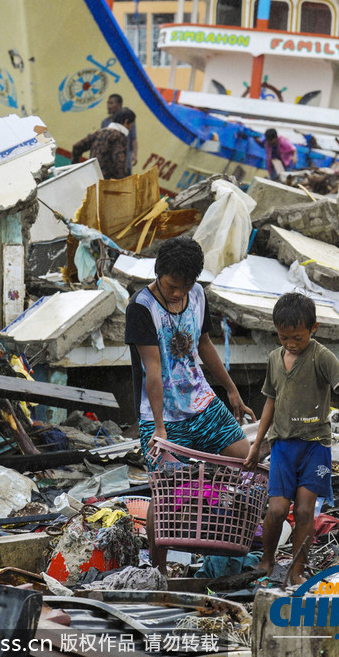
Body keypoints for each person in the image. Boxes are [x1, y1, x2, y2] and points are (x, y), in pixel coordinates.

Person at [245, 293, 339, 586]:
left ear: (313, 329)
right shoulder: (275, 360)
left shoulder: (321, 356)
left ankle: (298, 569)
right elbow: (270, 403)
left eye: (297, 337)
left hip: (315, 448)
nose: (290, 343)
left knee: (304, 511)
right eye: (283, 337)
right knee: (276, 510)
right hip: (283, 447)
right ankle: (267, 560)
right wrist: (256, 445)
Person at [124, 236, 256, 572]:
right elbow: (152, 373)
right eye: (172, 285)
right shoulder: (141, 308)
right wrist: (159, 428)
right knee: (166, 496)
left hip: (204, 405)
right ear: (159, 273)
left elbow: (204, 344)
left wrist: (231, 391)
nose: (178, 293)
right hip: (165, 416)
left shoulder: (197, 296)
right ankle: (158, 570)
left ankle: (234, 551)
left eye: (185, 286)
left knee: (248, 463)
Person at [71, 110, 135, 179]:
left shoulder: (99, 132)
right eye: (131, 124)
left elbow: (77, 147)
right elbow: (119, 162)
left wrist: (76, 169)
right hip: (107, 182)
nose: (131, 127)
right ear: (126, 121)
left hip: (91, 178)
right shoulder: (119, 136)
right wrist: (122, 182)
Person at [102, 93, 138, 173]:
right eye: (108, 103)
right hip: (109, 165)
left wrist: (135, 155)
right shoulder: (105, 122)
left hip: (125, 163)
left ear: (119, 105)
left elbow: (133, 139)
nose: (109, 106)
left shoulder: (129, 121)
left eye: (111, 103)